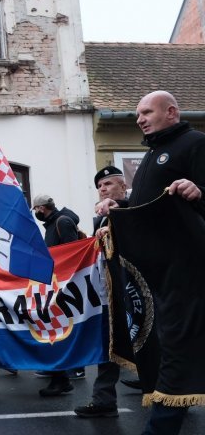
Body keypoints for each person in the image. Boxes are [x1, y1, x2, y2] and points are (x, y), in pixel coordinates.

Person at [96, 90, 205, 435]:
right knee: (167, 346)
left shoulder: (195, 143)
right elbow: (148, 210)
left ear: (171, 111)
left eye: (146, 112)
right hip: (155, 275)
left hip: (187, 271)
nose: (139, 118)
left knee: (176, 347)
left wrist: (199, 190)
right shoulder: (153, 154)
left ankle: (160, 427)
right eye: (137, 114)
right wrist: (119, 208)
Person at [73, 166, 129, 418]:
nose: (103, 189)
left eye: (108, 184)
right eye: (99, 186)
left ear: (123, 186)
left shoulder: (136, 208)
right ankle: (104, 400)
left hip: (139, 293)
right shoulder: (100, 218)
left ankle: (171, 399)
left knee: (152, 346)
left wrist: (119, 222)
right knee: (109, 345)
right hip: (111, 294)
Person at [30, 193, 83, 396]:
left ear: (42, 208)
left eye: (36, 210)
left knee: (62, 327)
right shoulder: (53, 224)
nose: (36, 213)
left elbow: (72, 253)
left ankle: (72, 370)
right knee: (56, 328)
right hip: (56, 283)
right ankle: (59, 372)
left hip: (65, 285)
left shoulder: (62, 222)